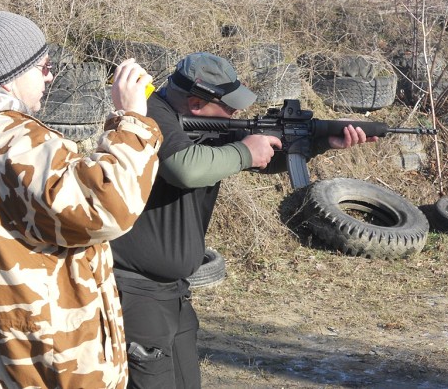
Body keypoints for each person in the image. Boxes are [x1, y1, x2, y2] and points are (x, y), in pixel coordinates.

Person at [109, 51, 378, 389]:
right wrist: (244, 151)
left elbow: (262, 156)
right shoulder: (148, 114)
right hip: (136, 292)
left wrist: (320, 142)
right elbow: (185, 168)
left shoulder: (203, 122)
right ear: (196, 103)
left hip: (173, 292)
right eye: (229, 106)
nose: (236, 113)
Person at [0, 10, 162, 388]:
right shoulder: (15, 140)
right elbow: (106, 208)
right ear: (10, 75)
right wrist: (131, 118)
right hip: (44, 363)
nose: (50, 76)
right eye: (43, 67)